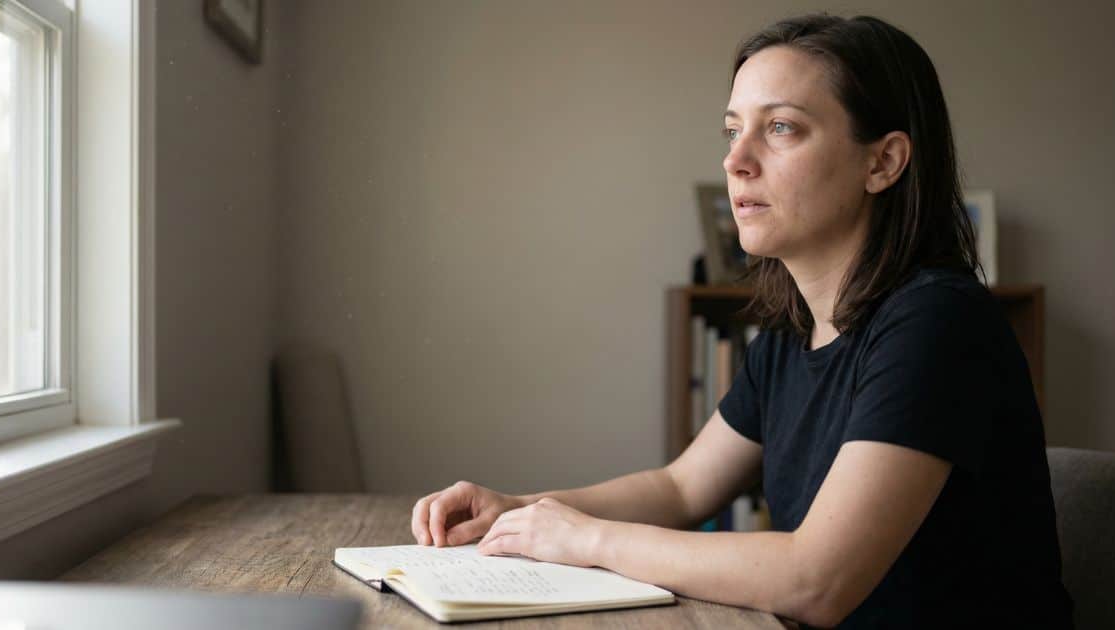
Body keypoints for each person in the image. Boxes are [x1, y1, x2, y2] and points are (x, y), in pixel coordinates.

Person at [409, 13, 1073, 629]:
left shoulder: (937, 325)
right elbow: (679, 488)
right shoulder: (791, 335)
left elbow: (819, 578)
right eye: (734, 130)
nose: (736, 160)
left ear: (883, 161)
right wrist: (520, 509)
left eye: (780, 127)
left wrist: (585, 539)